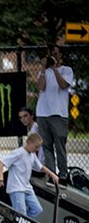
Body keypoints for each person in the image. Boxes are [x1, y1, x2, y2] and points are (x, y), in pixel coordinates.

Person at [0, 132, 59, 223]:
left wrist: (52, 174)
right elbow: (1, 163)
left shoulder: (31, 155)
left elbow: (40, 167)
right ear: (29, 143)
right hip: (16, 188)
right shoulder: (19, 153)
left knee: (37, 209)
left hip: (26, 187)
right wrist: (1, 178)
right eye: (36, 147)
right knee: (22, 216)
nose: (37, 150)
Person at [35, 44, 74, 178]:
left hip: (59, 113)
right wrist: (43, 68)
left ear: (60, 55)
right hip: (42, 113)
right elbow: (40, 87)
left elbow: (63, 85)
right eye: (51, 55)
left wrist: (54, 68)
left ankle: (63, 174)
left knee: (60, 146)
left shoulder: (66, 70)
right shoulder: (44, 71)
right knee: (46, 146)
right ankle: (52, 174)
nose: (53, 57)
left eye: (56, 54)